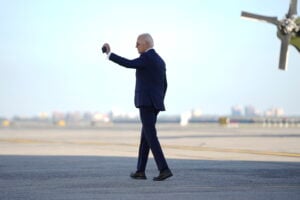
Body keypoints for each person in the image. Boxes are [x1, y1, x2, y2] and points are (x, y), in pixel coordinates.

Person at [102, 33, 173, 181]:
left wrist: (110, 54)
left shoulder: (146, 58)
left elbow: (128, 63)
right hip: (154, 104)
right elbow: (165, 84)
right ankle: (140, 171)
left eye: (138, 43)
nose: (136, 46)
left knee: (151, 137)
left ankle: (164, 169)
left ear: (146, 43)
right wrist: (158, 102)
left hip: (146, 103)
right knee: (145, 138)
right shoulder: (160, 60)